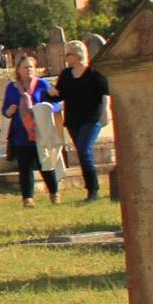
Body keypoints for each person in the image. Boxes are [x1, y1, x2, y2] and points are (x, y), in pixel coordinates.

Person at [53, 41, 112, 202]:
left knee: (84, 150)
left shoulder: (94, 73)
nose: (66, 58)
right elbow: (59, 95)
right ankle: (91, 188)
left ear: (77, 55)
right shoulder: (66, 74)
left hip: (92, 118)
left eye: (68, 54)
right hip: (73, 119)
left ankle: (93, 190)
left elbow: (105, 93)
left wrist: (106, 111)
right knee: (82, 152)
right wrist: (50, 92)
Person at [2, 55, 61, 208]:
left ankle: (54, 193)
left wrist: (44, 108)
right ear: (18, 70)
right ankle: (27, 198)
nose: (28, 70)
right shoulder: (12, 88)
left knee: (45, 164)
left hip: (40, 131)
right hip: (20, 132)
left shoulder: (42, 84)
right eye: (25, 67)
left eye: (31, 67)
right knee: (24, 166)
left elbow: (56, 104)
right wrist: (9, 111)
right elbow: (5, 109)